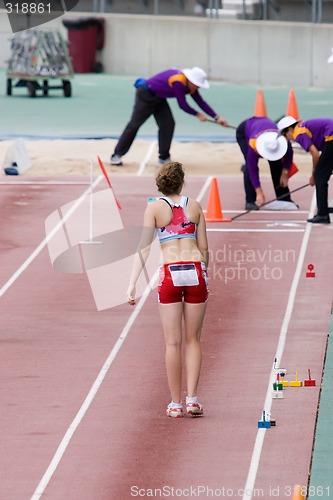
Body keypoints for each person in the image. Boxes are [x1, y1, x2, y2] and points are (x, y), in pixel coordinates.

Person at [126, 161, 209, 418]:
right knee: (193, 340)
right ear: (182, 182)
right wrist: (203, 272)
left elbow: (143, 248)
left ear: (160, 184)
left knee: (172, 343)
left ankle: (176, 404)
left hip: (170, 274)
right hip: (194, 272)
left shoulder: (153, 209)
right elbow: (205, 248)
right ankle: (193, 399)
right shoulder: (194, 206)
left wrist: (132, 284)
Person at [110, 67, 228, 167]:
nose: (198, 88)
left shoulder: (190, 85)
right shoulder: (179, 82)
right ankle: (116, 155)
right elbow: (182, 105)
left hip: (159, 97)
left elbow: (200, 101)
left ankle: (164, 158)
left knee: (168, 124)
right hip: (146, 94)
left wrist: (217, 117)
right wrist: (197, 114)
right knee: (134, 125)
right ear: (192, 81)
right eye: (198, 85)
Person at [278, 116, 333, 224]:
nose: (287, 139)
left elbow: (316, 155)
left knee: (320, 177)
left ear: (289, 129)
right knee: (322, 173)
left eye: (285, 135)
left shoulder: (299, 133)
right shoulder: (302, 127)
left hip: (331, 138)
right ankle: (324, 210)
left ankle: (323, 214)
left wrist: (313, 175)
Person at [236, 116, 296, 210]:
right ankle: (250, 200)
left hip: (264, 126)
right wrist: (259, 192)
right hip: (244, 131)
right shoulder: (253, 146)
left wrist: (285, 172)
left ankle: (284, 198)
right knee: (249, 167)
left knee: (276, 165)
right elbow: (253, 169)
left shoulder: (282, 140)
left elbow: (289, 155)